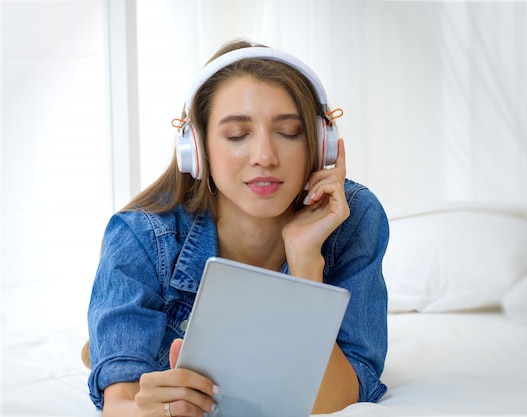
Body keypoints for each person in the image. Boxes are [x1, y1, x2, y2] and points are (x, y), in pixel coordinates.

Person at [87, 39, 389, 417]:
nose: (265, 156)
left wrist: (305, 265)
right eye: (236, 135)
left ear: (321, 144)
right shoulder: (140, 236)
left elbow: (340, 399)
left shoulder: (351, 218)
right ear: (196, 149)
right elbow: (121, 404)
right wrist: (159, 411)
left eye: (289, 131)